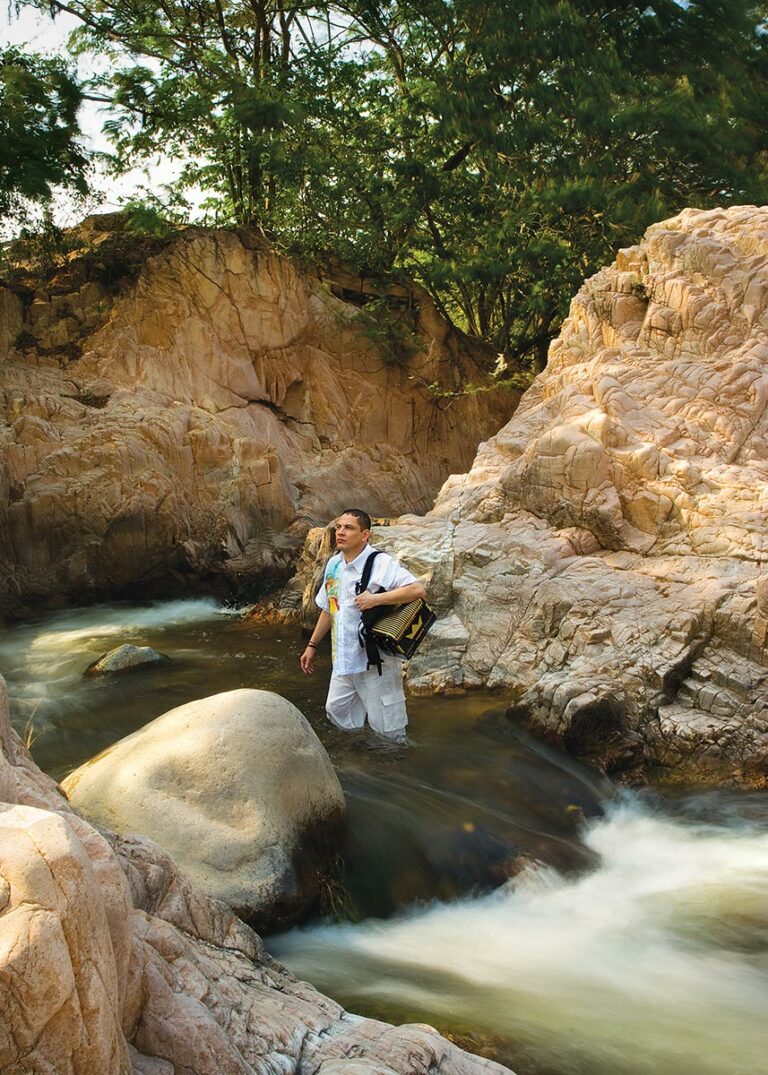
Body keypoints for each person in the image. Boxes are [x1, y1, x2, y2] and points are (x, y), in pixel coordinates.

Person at [299, 508, 427, 739]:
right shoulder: (334, 565)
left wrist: (376, 598)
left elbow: (417, 590)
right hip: (344, 660)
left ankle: (390, 762)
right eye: (338, 527)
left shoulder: (380, 562)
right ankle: (359, 754)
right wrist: (312, 645)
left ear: (365, 534)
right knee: (336, 711)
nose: (340, 532)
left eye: (349, 528)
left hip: (375, 661)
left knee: (388, 731)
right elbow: (330, 608)